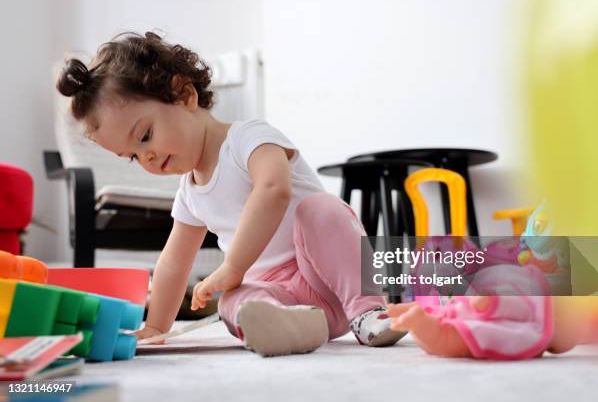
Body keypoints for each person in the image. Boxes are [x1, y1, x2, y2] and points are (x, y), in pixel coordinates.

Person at [56, 31, 405, 356]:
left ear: (184, 94)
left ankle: (368, 312)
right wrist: (156, 326)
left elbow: (274, 190)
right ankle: (300, 326)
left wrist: (233, 266)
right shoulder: (190, 192)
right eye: (132, 156)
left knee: (321, 209)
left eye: (145, 135)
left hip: (324, 272)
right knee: (232, 303)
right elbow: (174, 263)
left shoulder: (249, 138)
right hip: (286, 296)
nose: (145, 157)